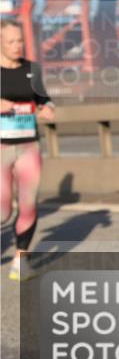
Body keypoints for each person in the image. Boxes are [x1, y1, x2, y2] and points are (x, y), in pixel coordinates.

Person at [1, 19, 55, 281]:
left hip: (28, 145)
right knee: (2, 211)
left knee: (28, 205)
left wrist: (47, 108)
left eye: (19, 40)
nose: (17, 45)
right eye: (11, 41)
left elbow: (44, 99)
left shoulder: (32, 70)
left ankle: (20, 260)